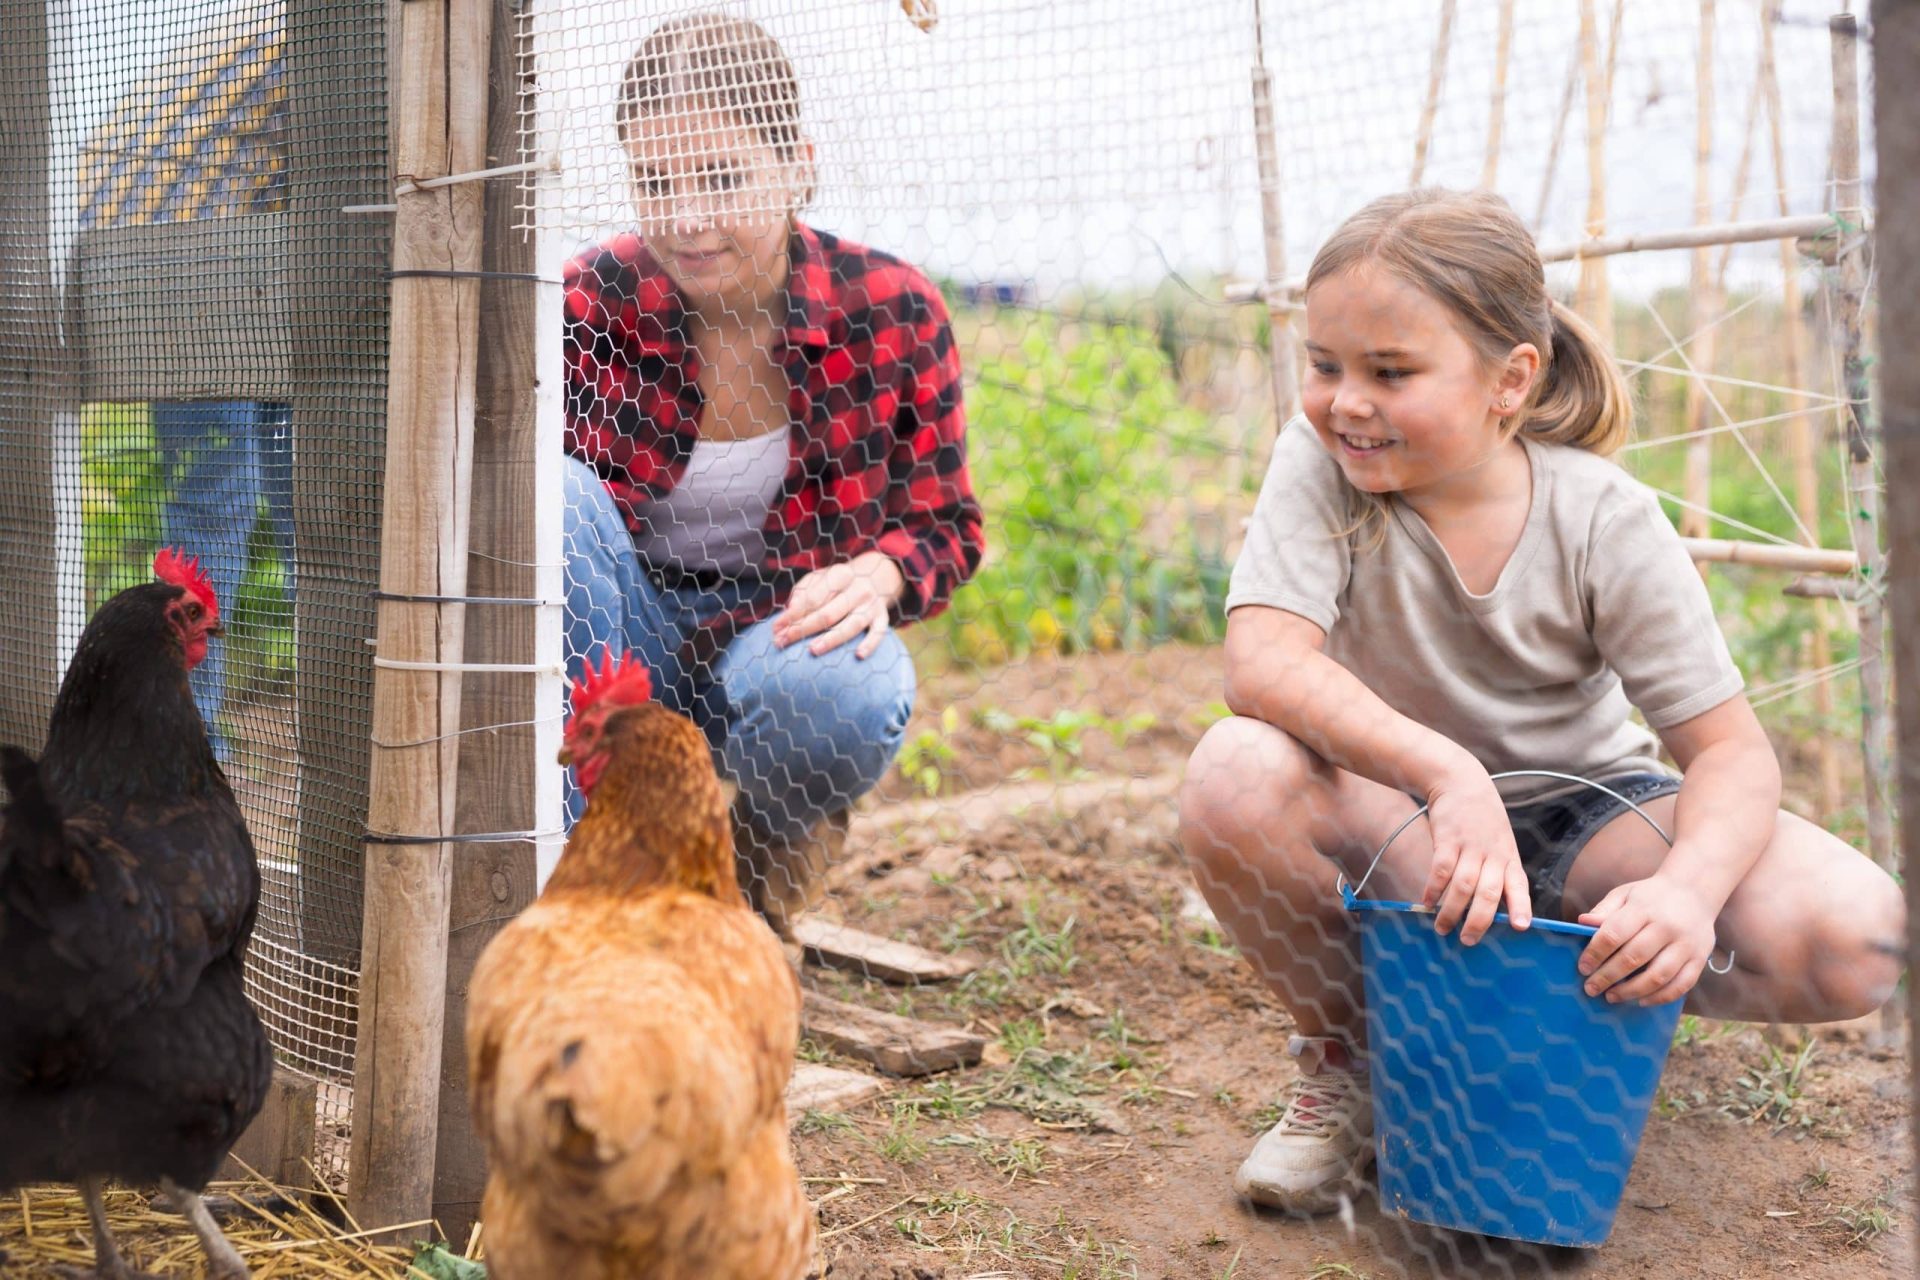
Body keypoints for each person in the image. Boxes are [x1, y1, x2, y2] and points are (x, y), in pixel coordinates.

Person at [1178, 188, 1904, 1215]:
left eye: (1391, 371)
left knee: (1855, 928)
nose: (1346, 401)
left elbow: (1733, 753)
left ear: (1510, 378)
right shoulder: (1322, 469)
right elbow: (1259, 661)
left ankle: (1570, 1021)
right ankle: (1364, 1062)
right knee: (1234, 768)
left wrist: (1686, 895)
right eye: (1324, 363)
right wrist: (1445, 768)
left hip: (1587, 813)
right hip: (1402, 818)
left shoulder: (1602, 515)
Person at [562, 12, 982, 936]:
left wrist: (878, 574)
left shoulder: (895, 310)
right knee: (548, 497)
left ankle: (743, 884)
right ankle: (588, 892)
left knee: (847, 693)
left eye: (721, 177)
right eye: (655, 181)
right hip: (615, 640)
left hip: (773, 630)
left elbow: (948, 523)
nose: (686, 220)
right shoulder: (589, 301)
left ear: (798, 164)